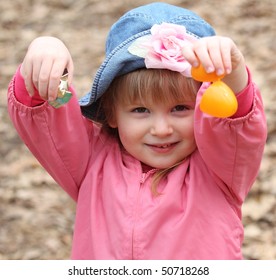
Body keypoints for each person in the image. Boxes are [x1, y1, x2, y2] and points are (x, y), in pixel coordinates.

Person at [7, 2, 267, 259]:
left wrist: (231, 76)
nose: (162, 129)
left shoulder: (221, 167)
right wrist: (50, 65)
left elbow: (235, 123)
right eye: (140, 110)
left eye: (179, 108)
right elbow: (49, 116)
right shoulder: (90, 162)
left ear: (203, 105)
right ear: (111, 113)